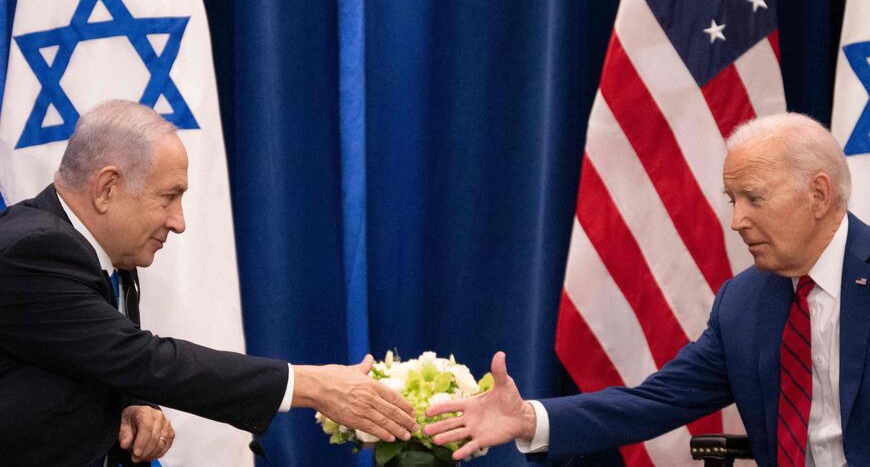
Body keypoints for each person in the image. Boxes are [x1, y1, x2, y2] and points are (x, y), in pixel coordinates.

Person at [424, 112, 870, 467]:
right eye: (733, 201)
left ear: (818, 194)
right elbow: (653, 401)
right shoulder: (744, 304)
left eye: (754, 198)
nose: (737, 221)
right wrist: (528, 420)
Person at [0, 100, 418, 466]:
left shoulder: (105, 255)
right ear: (107, 188)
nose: (179, 222)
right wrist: (312, 385)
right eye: (168, 197)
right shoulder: (35, 249)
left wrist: (131, 404)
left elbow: (91, 358)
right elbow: (140, 358)